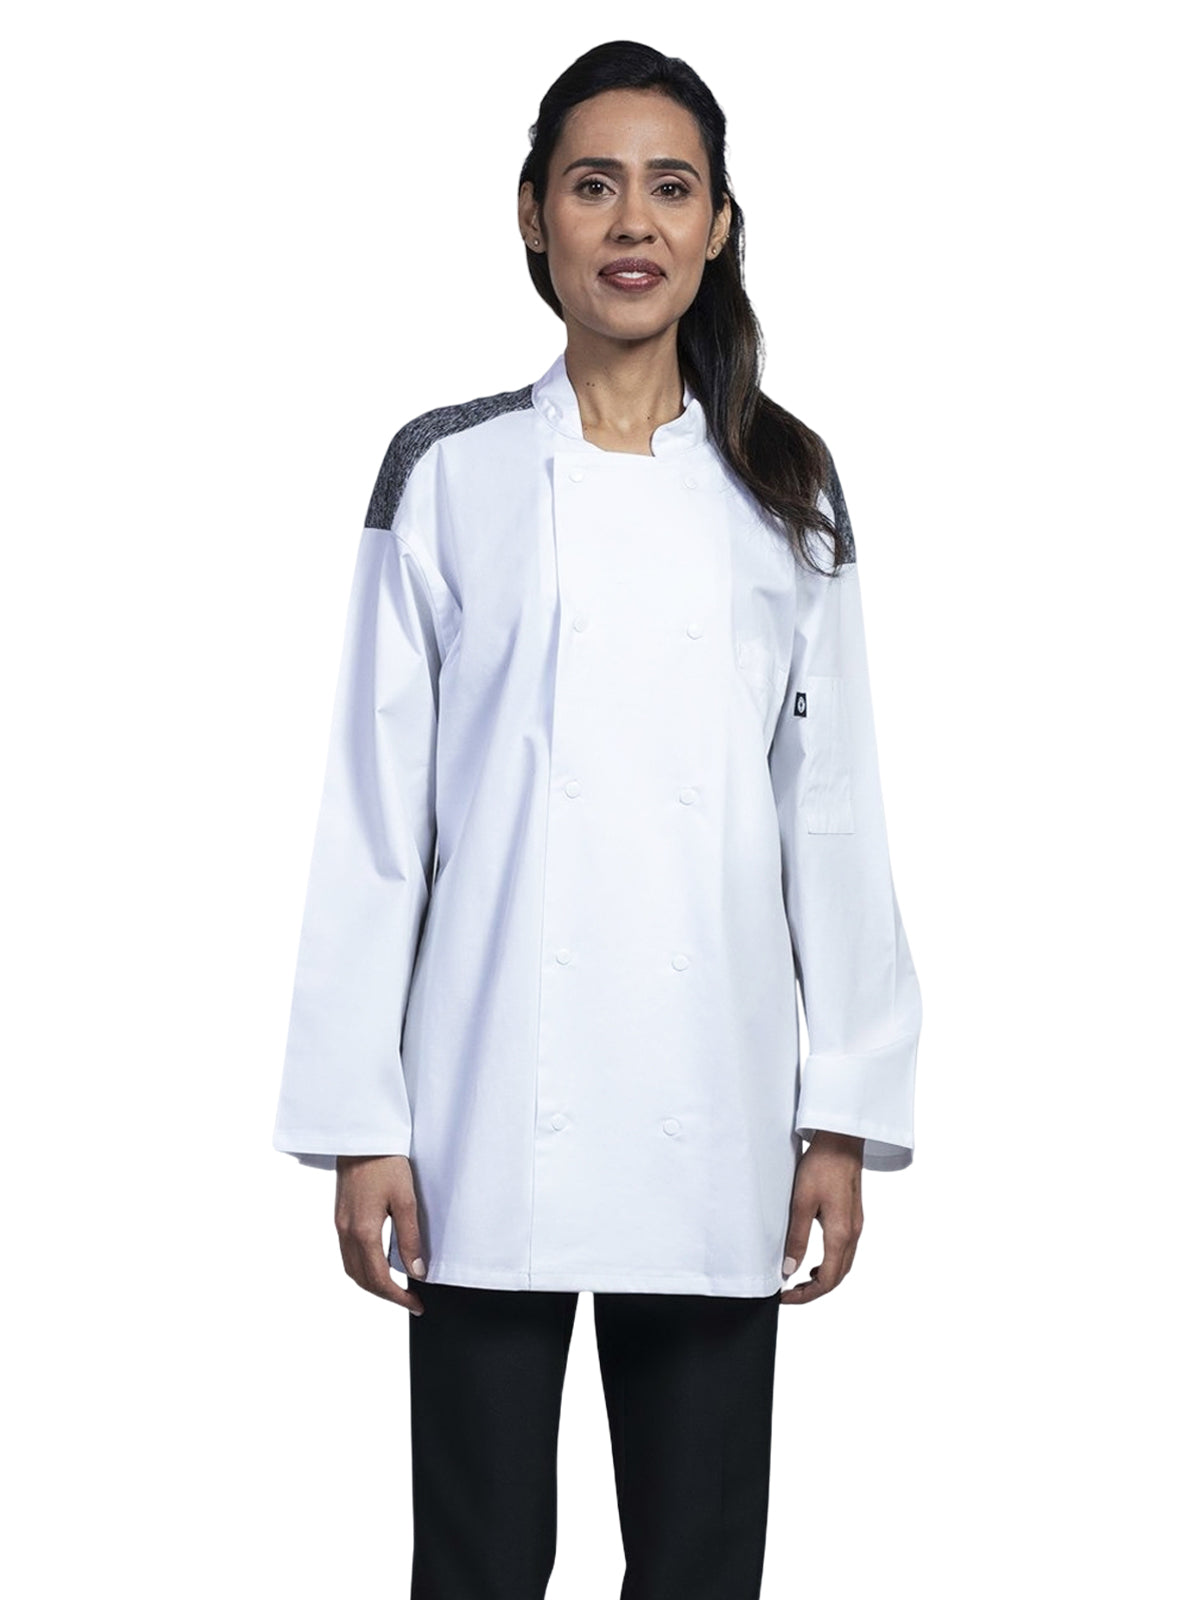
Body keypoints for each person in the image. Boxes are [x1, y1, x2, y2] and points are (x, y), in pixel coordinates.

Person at [272, 38, 922, 1600]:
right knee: (479, 1564)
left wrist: (841, 1111)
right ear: (532, 215)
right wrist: (363, 1119)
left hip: (716, 1105)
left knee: (700, 1569)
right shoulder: (451, 473)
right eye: (593, 185)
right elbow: (378, 815)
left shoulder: (788, 487)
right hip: (485, 1103)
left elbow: (831, 814)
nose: (633, 222)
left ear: (716, 226)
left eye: (671, 188)